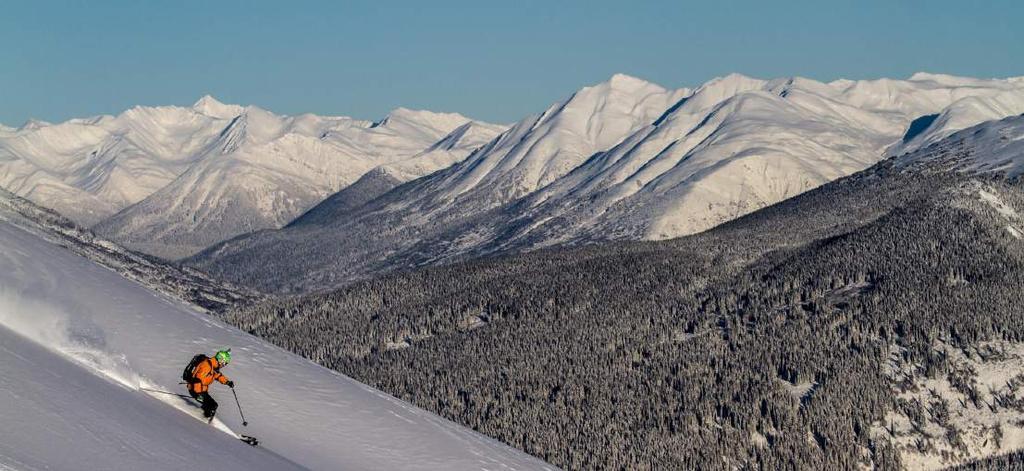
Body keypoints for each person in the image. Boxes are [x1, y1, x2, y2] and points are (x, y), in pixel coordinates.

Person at [185, 349, 235, 420]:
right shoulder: (207, 366)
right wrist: (198, 395)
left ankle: (204, 417)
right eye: (224, 363)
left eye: (225, 363)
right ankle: (203, 421)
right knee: (211, 406)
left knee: (213, 405)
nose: (224, 365)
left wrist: (227, 382)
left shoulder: (213, 366)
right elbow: (197, 379)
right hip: (195, 390)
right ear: (220, 359)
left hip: (202, 390)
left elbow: (218, 375)